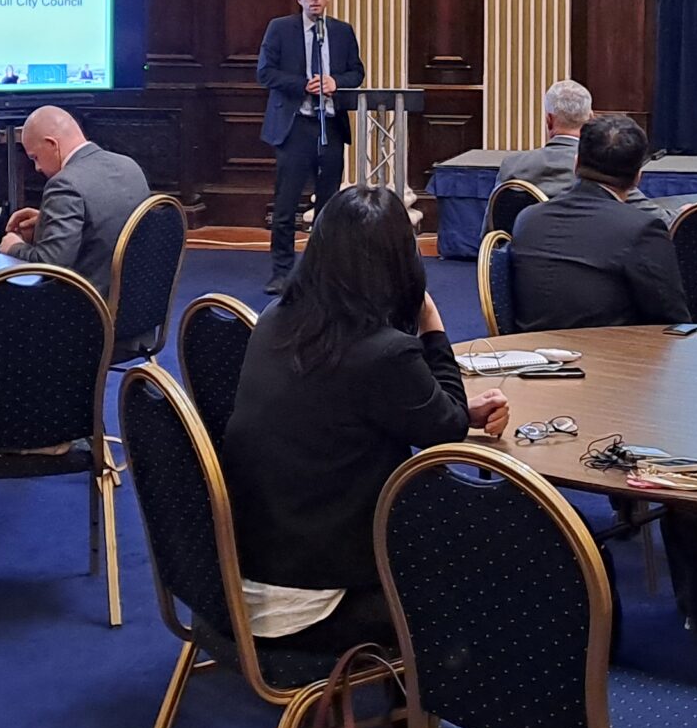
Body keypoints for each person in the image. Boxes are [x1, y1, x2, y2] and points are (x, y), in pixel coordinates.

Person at [217, 186, 509, 648]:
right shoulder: (382, 352)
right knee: (515, 547)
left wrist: (450, 408)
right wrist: (431, 324)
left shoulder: (277, 317)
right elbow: (448, 430)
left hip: (240, 578)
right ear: (400, 260)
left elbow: (357, 409)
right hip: (316, 599)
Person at [509, 115, 694, 331]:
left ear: (576, 163)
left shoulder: (527, 218)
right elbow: (671, 318)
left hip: (526, 348)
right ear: (637, 177)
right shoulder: (643, 229)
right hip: (608, 350)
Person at [256, 0, 365, 294]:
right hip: (295, 127)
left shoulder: (342, 31)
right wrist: (303, 85)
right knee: (286, 204)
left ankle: (323, 271)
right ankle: (282, 272)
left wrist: (335, 82)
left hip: (330, 125)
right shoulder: (280, 29)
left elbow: (357, 72)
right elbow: (265, 73)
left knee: (328, 205)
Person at [0, 105, 150, 295]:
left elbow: (51, 265)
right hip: (138, 301)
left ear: (52, 144)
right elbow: (107, 224)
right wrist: (47, 221)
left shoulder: (64, 184)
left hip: (87, 305)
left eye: (35, 157)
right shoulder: (129, 166)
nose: (37, 168)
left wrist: (14, 247)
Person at [496, 78, 591, 200]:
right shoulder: (598, 169)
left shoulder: (512, 165)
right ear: (590, 120)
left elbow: (495, 211)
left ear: (549, 120)